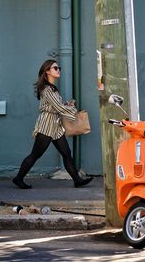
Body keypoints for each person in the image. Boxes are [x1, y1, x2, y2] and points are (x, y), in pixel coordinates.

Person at [12, 59, 93, 189]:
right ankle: (18, 178)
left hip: (55, 125)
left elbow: (57, 106)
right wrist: (73, 111)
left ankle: (77, 180)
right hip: (46, 125)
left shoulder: (51, 88)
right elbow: (58, 107)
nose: (58, 70)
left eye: (58, 68)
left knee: (66, 152)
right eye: (55, 68)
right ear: (47, 71)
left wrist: (67, 105)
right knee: (35, 154)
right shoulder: (48, 89)